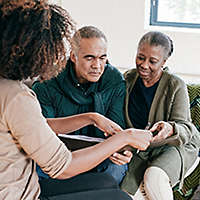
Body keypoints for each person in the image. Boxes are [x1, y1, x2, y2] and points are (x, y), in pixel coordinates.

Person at [0, 1, 153, 200]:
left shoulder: (8, 89)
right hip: (20, 194)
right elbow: (63, 168)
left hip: (26, 185)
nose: (97, 65)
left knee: (106, 182)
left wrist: (92, 117)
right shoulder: (17, 96)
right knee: (120, 198)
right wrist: (125, 137)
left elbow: (40, 126)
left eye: (102, 58)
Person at [32, 25, 129, 184]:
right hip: (60, 156)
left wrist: (123, 152)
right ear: (73, 56)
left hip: (99, 156)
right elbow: (43, 128)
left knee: (115, 170)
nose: (97, 66)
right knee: (35, 170)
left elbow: (117, 129)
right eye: (89, 58)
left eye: (102, 58)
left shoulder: (114, 80)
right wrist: (92, 118)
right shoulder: (48, 81)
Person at [120, 31, 200, 200]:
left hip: (175, 146)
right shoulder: (128, 78)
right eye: (141, 57)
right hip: (143, 149)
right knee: (129, 194)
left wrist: (170, 128)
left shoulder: (175, 84)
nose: (144, 65)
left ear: (164, 62)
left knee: (154, 178)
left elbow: (186, 128)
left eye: (153, 61)